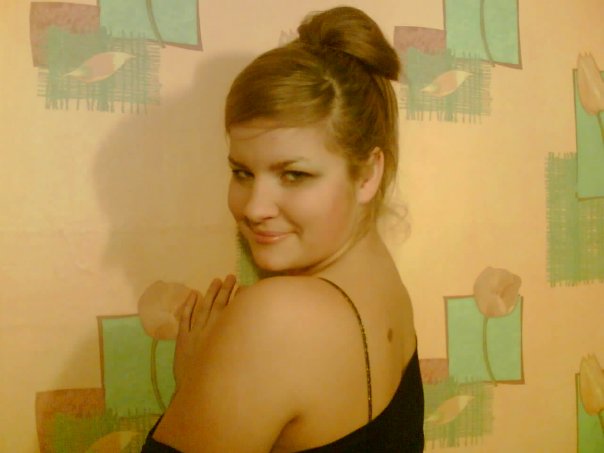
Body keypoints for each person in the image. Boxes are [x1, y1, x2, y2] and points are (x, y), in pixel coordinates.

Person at [142, 6, 424, 452]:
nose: (254, 208)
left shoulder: (276, 318)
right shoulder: (384, 282)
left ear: (368, 173)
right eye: (242, 172)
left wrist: (196, 382)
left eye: (294, 175)